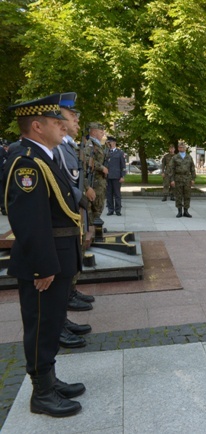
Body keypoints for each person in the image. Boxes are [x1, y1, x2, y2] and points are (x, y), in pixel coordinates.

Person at [5, 94, 85, 417]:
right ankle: (41, 393)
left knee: (51, 325)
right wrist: (42, 267)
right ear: (37, 127)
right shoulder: (27, 163)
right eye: (55, 122)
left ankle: (49, 380)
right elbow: (30, 221)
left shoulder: (44, 157)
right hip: (45, 263)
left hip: (57, 257)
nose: (62, 125)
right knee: (41, 326)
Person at [55, 92, 94, 348]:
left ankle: (62, 318)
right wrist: (81, 196)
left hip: (70, 213)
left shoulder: (65, 145)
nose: (77, 120)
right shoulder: (55, 148)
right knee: (58, 276)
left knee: (69, 265)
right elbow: (62, 182)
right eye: (72, 116)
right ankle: (58, 325)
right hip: (61, 217)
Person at [86, 122, 107, 224]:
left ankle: (96, 226)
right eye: (101, 131)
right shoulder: (90, 144)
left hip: (99, 181)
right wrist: (102, 168)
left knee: (99, 205)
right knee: (94, 206)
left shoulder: (98, 145)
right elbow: (87, 159)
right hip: (94, 181)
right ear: (94, 132)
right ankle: (93, 228)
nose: (103, 133)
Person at [169, 140, 196, 217]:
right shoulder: (175, 157)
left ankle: (186, 211)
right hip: (178, 178)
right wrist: (172, 180)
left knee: (187, 195)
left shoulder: (189, 157)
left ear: (185, 148)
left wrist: (193, 179)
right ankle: (179, 211)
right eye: (180, 147)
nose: (181, 148)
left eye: (183, 147)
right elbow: (171, 169)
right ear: (178, 148)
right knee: (178, 195)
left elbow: (192, 169)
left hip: (187, 178)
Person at [105, 136, 126, 216]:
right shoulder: (106, 152)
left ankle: (118, 210)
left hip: (117, 176)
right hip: (108, 176)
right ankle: (110, 210)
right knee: (109, 194)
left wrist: (122, 176)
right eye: (108, 142)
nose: (108, 144)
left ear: (114, 143)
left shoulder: (120, 153)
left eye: (109, 142)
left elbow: (123, 165)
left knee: (117, 194)